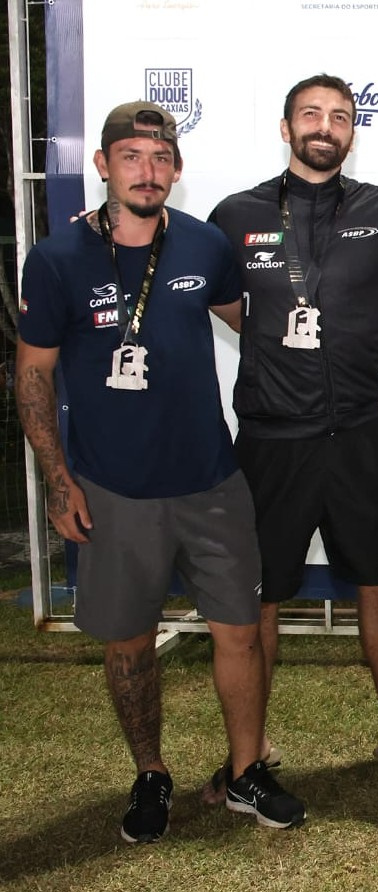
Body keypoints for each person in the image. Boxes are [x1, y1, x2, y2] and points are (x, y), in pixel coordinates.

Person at [15, 101, 305, 840]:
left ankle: (246, 772)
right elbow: (34, 375)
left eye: (161, 158)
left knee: (240, 632)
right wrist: (58, 480)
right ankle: (151, 773)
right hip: (112, 490)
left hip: (212, 480)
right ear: (103, 165)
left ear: (177, 168)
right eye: (132, 157)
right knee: (129, 643)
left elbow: (254, 321)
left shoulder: (205, 245)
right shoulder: (56, 258)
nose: (148, 171)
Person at [205, 74, 378, 787]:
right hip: (271, 439)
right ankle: (251, 747)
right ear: (286, 128)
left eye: (339, 116)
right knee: (259, 598)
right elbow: (220, 297)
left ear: (352, 133)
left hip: (360, 432)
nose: (324, 126)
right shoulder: (235, 214)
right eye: (310, 114)